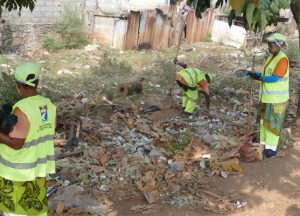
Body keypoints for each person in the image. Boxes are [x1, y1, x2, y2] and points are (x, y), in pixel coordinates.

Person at [0, 63, 56, 216]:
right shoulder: (48, 106)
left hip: (17, 172)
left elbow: (16, 143)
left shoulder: (22, 108)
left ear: (18, 85)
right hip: (38, 169)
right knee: (35, 209)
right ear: (37, 83)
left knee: (15, 212)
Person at [248, 33, 289, 158]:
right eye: (268, 44)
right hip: (266, 98)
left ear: (279, 45)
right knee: (264, 122)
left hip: (276, 100)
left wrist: (260, 77)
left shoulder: (282, 59)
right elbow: (268, 73)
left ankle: (271, 150)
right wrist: (257, 74)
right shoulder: (272, 57)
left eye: (271, 44)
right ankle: (263, 144)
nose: (269, 46)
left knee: (272, 125)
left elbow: (274, 78)